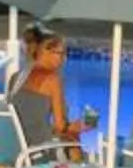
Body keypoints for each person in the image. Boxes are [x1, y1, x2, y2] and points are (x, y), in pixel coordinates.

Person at [12, 25, 92, 155]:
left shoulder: (16, 77)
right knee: (73, 136)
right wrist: (82, 126)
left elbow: (30, 118)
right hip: (37, 148)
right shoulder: (52, 80)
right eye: (60, 53)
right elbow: (60, 127)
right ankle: (78, 166)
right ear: (44, 52)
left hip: (15, 143)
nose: (64, 59)